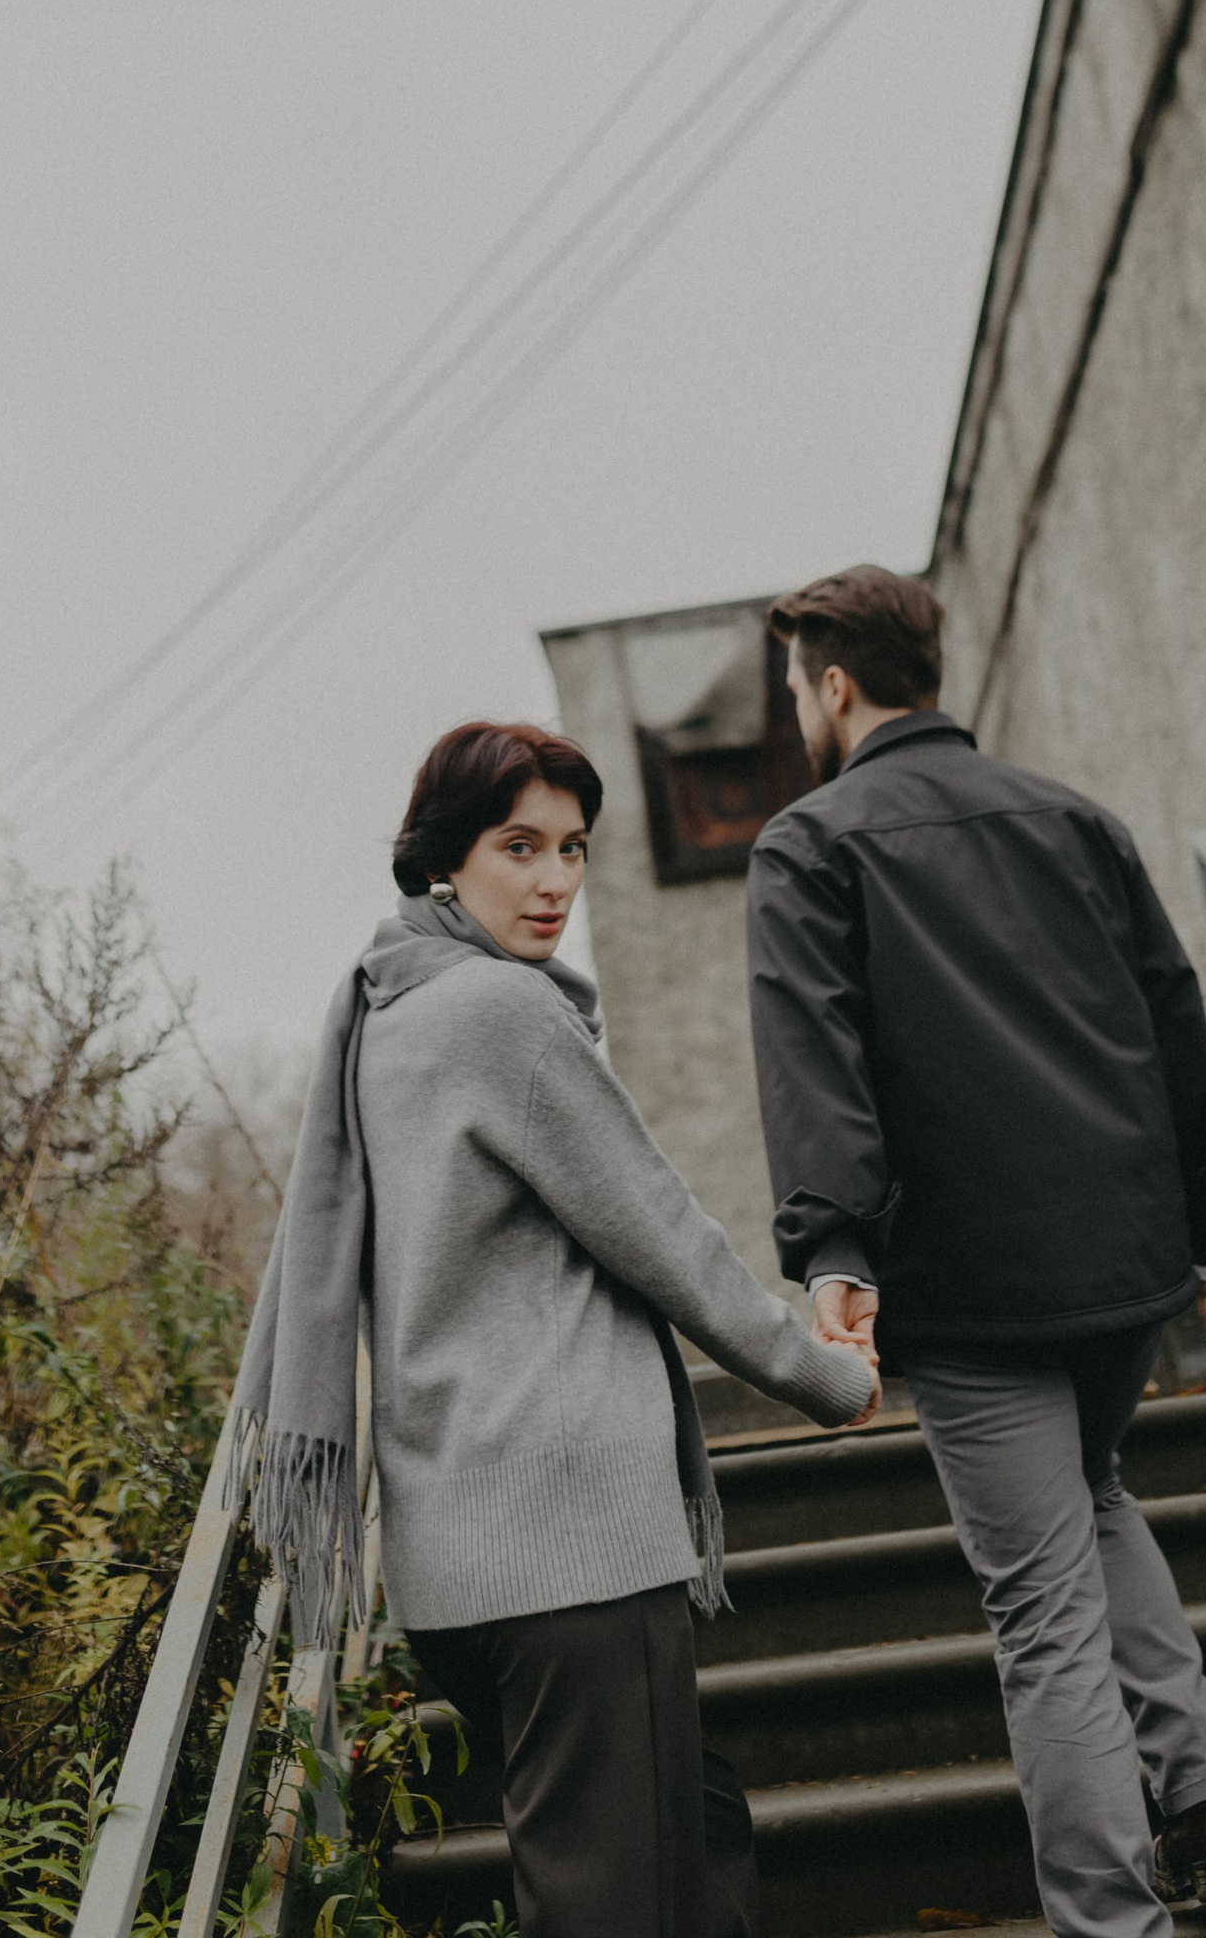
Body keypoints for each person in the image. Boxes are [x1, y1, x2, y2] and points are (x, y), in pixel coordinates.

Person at [232, 718, 878, 1938]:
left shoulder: (391, 1012)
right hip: (568, 1545)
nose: (554, 881)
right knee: (611, 1899)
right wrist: (821, 1375)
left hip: (465, 1561)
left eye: (573, 848)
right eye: (518, 846)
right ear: (444, 859)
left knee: (697, 1833)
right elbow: (665, 1236)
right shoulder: (500, 1013)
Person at [745, 566, 1206, 1938]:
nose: (798, 707)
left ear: (834, 685)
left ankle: (1112, 1920)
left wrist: (835, 1252)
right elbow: (1175, 1029)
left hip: (972, 1291)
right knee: (1092, 1495)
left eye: (796, 685)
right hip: (1124, 1268)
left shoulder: (809, 844)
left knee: (1042, 1610)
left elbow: (815, 1063)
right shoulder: (1076, 819)